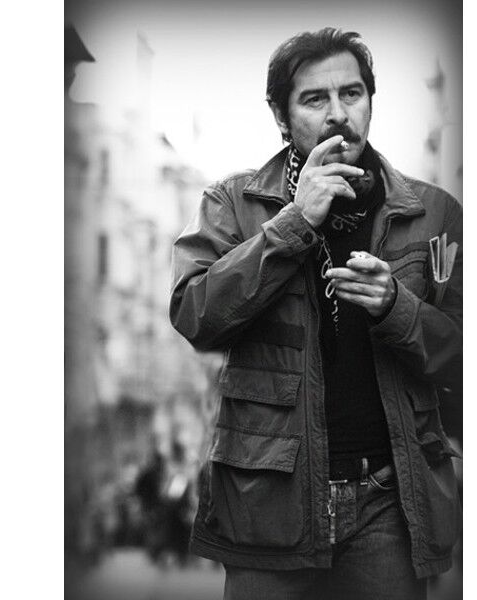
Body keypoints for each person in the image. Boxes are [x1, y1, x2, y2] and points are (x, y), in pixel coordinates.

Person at [170, 27, 462, 600]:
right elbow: (195, 313)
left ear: (370, 101)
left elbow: (467, 355)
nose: (338, 114)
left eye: (351, 94)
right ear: (281, 117)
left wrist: (397, 307)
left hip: (389, 503)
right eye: (314, 99)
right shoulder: (233, 204)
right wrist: (293, 224)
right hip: (268, 507)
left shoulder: (434, 213)